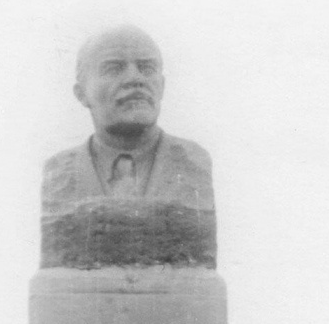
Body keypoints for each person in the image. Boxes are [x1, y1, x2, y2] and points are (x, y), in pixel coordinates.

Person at [39, 25, 216, 267]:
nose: (135, 79)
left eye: (147, 68)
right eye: (114, 68)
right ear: (81, 94)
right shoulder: (58, 173)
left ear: (162, 87)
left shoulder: (193, 164)